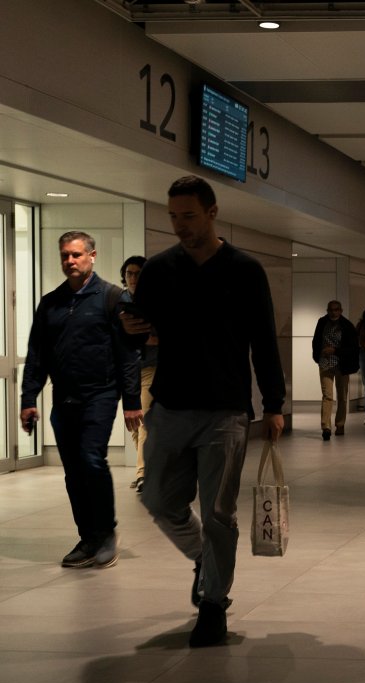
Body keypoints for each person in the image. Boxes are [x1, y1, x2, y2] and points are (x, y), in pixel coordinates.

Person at [120, 175, 285, 648]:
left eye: (187, 216)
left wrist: (273, 404)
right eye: (172, 216)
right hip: (170, 404)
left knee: (217, 513)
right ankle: (204, 561)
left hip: (225, 410)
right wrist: (127, 327)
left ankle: (213, 605)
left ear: (212, 213)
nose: (179, 225)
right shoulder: (159, 269)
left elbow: (262, 341)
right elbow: (137, 331)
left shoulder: (244, 270)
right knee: (158, 499)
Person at [21, 232, 142, 569]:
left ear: (92, 255)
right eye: (65, 256)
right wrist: (28, 397)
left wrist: (131, 400)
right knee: (73, 471)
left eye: (76, 255)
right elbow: (37, 354)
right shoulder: (51, 303)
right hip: (64, 398)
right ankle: (87, 537)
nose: (70, 261)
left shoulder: (112, 298)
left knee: (91, 459)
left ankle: (105, 534)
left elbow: (128, 354)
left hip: (100, 394)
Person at [121, 255, 154, 494]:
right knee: (133, 424)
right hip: (125, 371)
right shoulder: (117, 301)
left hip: (150, 368)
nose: (133, 278)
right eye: (129, 273)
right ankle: (143, 469)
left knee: (144, 421)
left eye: (138, 273)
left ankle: (144, 473)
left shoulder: (155, 301)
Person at [312, 299, 359, 440]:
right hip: (325, 363)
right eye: (331, 310)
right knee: (327, 396)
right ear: (327, 311)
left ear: (341, 310)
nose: (333, 312)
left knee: (342, 396)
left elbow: (352, 347)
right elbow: (316, 340)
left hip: (341, 365)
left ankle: (340, 424)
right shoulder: (322, 323)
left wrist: (335, 351)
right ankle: (326, 427)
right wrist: (317, 356)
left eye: (336, 309)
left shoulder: (347, 326)